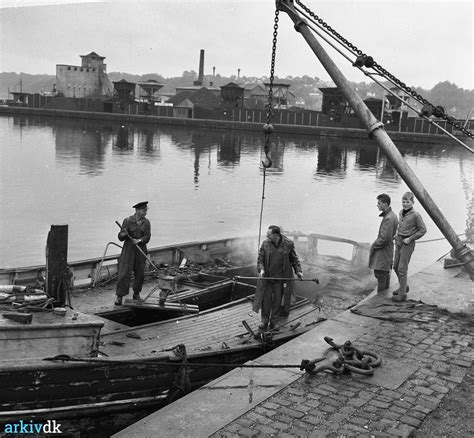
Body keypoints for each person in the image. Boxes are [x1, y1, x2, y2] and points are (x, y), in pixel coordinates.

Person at [254, 225, 303, 330]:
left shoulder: (288, 244)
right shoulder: (265, 244)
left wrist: (298, 271)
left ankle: (274, 322)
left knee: (277, 301)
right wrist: (261, 269)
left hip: (281, 279)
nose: (266, 235)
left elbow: (294, 260)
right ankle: (264, 321)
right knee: (266, 301)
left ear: (276, 235)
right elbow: (260, 259)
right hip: (267, 278)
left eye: (269, 234)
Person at [114, 201, 151, 305]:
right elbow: (120, 237)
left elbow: (147, 237)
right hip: (129, 249)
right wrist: (124, 234)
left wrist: (139, 240)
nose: (145, 213)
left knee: (140, 273)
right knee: (124, 272)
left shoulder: (147, 222)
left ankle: (136, 294)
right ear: (138, 211)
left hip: (141, 249)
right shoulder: (127, 221)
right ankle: (119, 296)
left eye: (146, 210)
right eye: (144, 211)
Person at [392, 192, 427, 302]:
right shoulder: (401, 213)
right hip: (398, 241)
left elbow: (423, 230)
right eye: (403, 202)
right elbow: (401, 226)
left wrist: (410, 238)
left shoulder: (416, 215)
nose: (405, 204)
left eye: (408, 202)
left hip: (408, 243)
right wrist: (396, 235)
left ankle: (402, 294)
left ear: (413, 203)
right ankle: (404, 286)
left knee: (402, 268)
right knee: (395, 266)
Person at [369, 194, 398, 294]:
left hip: (383, 253)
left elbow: (385, 239)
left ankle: (380, 298)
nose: (377, 205)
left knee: (381, 274)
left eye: (379, 203)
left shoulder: (389, 218)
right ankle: (384, 296)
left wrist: (374, 245)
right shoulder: (391, 216)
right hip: (387, 252)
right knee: (384, 275)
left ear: (385, 204)